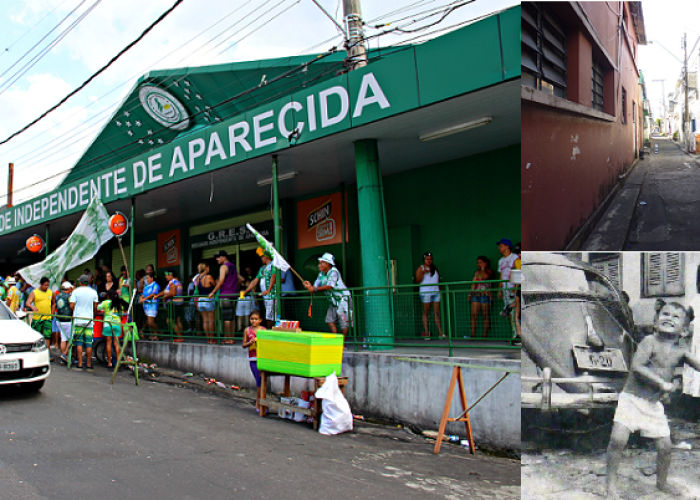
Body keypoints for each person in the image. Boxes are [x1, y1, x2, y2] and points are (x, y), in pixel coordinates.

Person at [607, 300, 700, 499]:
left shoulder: (681, 350)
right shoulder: (650, 341)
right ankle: (611, 485)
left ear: (684, 330)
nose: (669, 318)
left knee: (665, 447)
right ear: (656, 322)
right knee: (617, 440)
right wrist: (661, 384)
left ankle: (662, 482)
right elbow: (637, 367)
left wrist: (673, 383)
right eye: (665, 314)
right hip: (631, 400)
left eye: (676, 317)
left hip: (652, 406)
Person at [303, 252, 352, 335]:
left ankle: (343, 344)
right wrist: (309, 286)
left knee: (344, 323)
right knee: (329, 320)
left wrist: (314, 288)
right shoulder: (321, 274)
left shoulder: (334, 272)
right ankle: (335, 340)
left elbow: (329, 286)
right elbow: (315, 285)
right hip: (333, 301)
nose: (319, 265)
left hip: (343, 300)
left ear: (327, 264)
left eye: (321, 263)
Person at [242, 248, 278, 329]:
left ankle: (271, 335)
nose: (261, 258)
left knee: (271, 317)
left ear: (266, 257)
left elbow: (274, 276)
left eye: (262, 256)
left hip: (272, 296)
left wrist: (268, 290)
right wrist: (246, 291)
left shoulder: (273, 265)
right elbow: (255, 281)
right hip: (266, 297)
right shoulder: (262, 268)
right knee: (269, 316)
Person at [209, 250, 240, 344]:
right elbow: (240, 278)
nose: (217, 259)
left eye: (218, 257)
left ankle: (229, 338)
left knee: (226, 317)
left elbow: (221, 280)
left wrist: (213, 292)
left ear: (224, 257)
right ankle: (232, 337)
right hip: (234, 294)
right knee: (231, 317)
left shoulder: (223, 266)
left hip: (225, 294)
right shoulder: (233, 266)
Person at [70, 274, 99, 371]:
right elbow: (96, 307)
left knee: (79, 343)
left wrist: (75, 312)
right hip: (89, 320)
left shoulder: (76, 291)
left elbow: (71, 305)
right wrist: (93, 315)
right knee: (88, 343)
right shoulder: (94, 292)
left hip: (78, 319)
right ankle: (89, 365)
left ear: (80, 282)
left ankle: (79, 364)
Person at [415, 252, 444, 339]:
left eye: (431, 259)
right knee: (426, 312)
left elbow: (438, 280)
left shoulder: (435, 268)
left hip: (436, 292)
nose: (429, 261)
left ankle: (440, 333)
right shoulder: (421, 268)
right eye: (427, 259)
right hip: (426, 292)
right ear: (424, 260)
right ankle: (427, 332)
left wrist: (439, 289)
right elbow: (418, 280)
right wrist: (423, 272)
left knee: (436, 313)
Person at [242, 309, 266, 413]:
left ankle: (262, 403)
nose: (254, 321)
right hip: (253, 358)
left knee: (263, 382)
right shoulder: (247, 330)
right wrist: (250, 342)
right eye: (252, 319)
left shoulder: (263, 330)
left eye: (256, 319)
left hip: (262, 358)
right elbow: (243, 345)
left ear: (260, 320)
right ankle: (258, 403)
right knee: (259, 382)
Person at [468, 256, 495, 338]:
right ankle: (472, 334)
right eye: (478, 263)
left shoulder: (489, 271)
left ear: (486, 263)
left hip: (485, 295)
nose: (479, 264)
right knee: (473, 315)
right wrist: (470, 294)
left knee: (485, 315)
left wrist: (483, 269)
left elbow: (486, 277)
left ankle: (484, 334)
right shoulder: (476, 272)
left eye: (481, 262)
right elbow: (473, 283)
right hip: (475, 295)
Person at [26, 277, 55, 353]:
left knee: (47, 336)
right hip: (37, 318)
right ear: (41, 284)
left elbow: (53, 303)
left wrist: (52, 314)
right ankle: (34, 352)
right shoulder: (35, 292)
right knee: (36, 336)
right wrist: (32, 306)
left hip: (47, 318)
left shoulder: (50, 292)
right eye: (45, 285)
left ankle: (47, 354)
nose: (46, 287)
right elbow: (27, 302)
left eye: (47, 285)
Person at [98, 289, 125, 368]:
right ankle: (118, 363)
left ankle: (109, 362)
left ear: (108, 296)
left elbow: (97, 308)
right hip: (117, 324)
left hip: (107, 324)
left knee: (108, 344)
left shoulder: (105, 303)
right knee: (117, 344)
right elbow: (122, 316)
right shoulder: (119, 303)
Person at [160, 268, 184, 342]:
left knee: (170, 321)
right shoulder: (178, 282)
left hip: (173, 304)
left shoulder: (172, 282)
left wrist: (165, 297)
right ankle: (181, 336)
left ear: (171, 275)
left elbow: (172, 293)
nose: (165, 277)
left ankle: (180, 337)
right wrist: (158, 295)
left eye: (167, 275)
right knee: (178, 320)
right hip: (179, 303)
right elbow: (166, 291)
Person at [496, 238, 518, 318]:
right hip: (505, 289)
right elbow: (501, 276)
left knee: (515, 309)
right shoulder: (501, 261)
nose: (499, 248)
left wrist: (516, 287)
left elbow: (518, 272)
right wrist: (499, 289)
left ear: (507, 246)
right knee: (507, 310)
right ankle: (513, 330)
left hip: (513, 288)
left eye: (501, 246)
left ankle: (517, 330)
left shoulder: (514, 257)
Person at [196, 263, 217, 344]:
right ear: (206, 268)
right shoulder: (209, 277)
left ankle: (208, 339)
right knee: (211, 320)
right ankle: (212, 339)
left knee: (205, 321)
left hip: (200, 300)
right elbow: (215, 285)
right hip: (208, 299)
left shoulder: (197, 278)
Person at [55, 281, 74, 365]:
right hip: (68, 320)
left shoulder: (57, 296)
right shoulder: (70, 297)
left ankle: (63, 358)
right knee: (71, 338)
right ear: (69, 288)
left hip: (59, 319)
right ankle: (64, 354)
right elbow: (71, 306)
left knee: (63, 338)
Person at [140, 272, 161, 340]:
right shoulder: (146, 286)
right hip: (146, 306)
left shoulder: (155, 285)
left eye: (148, 278)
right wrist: (141, 298)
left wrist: (144, 299)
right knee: (149, 323)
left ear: (152, 278)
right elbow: (143, 294)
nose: (147, 280)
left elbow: (153, 294)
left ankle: (159, 333)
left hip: (152, 305)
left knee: (151, 322)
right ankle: (154, 335)